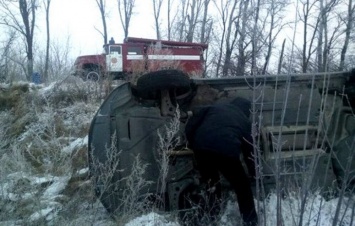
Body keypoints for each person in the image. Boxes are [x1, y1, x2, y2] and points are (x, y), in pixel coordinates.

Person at [185, 97, 258, 226]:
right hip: (226, 150)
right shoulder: (245, 122)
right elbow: (250, 152)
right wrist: (254, 174)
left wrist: (191, 142)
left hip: (201, 148)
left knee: (212, 184)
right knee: (242, 186)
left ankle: (211, 218)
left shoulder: (214, 107)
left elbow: (193, 121)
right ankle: (250, 221)